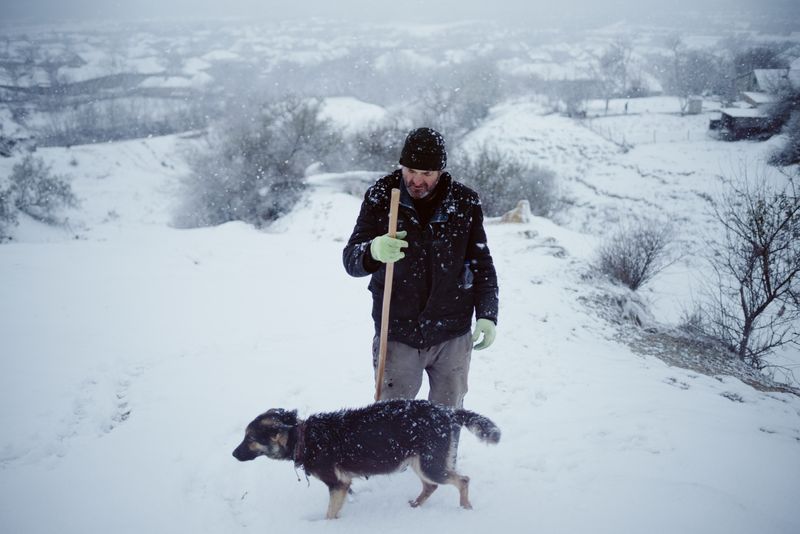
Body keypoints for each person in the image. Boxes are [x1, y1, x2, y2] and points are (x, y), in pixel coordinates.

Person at [343, 127, 499, 409]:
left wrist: (487, 314)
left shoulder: (464, 202)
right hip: (397, 329)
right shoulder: (381, 196)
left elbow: (481, 262)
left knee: (447, 417)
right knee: (392, 419)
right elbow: (351, 259)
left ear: (440, 171)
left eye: (427, 173)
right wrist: (373, 250)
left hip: (452, 330)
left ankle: (443, 442)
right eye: (411, 170)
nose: (416, 180)